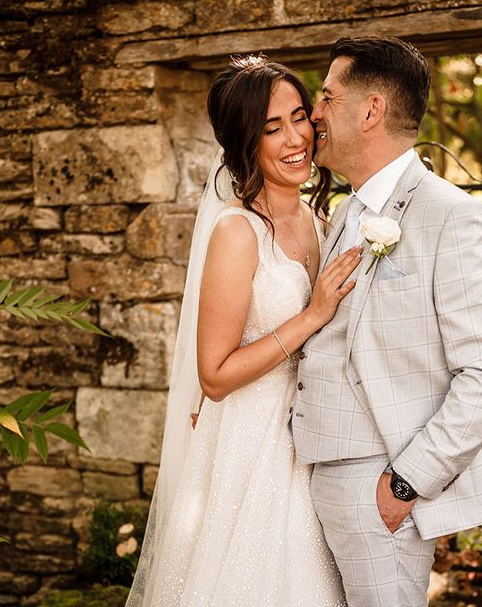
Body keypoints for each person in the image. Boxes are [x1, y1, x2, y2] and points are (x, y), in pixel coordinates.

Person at [291, 36, 482, 607]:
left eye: (326, 97)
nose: (313, 113)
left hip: (381, 483)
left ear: (370, 111)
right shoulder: (345, 213)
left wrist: (405, 483)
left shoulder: (452, 216)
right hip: (313, 472)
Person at [126, 55, 357, 607]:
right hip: (254, 445)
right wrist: (311, 315)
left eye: (300, 116)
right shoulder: (237, 232)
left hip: (317, 438)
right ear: (243, 144)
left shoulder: (323, 221)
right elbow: (214, 375)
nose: (295, 137)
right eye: (271, 128)